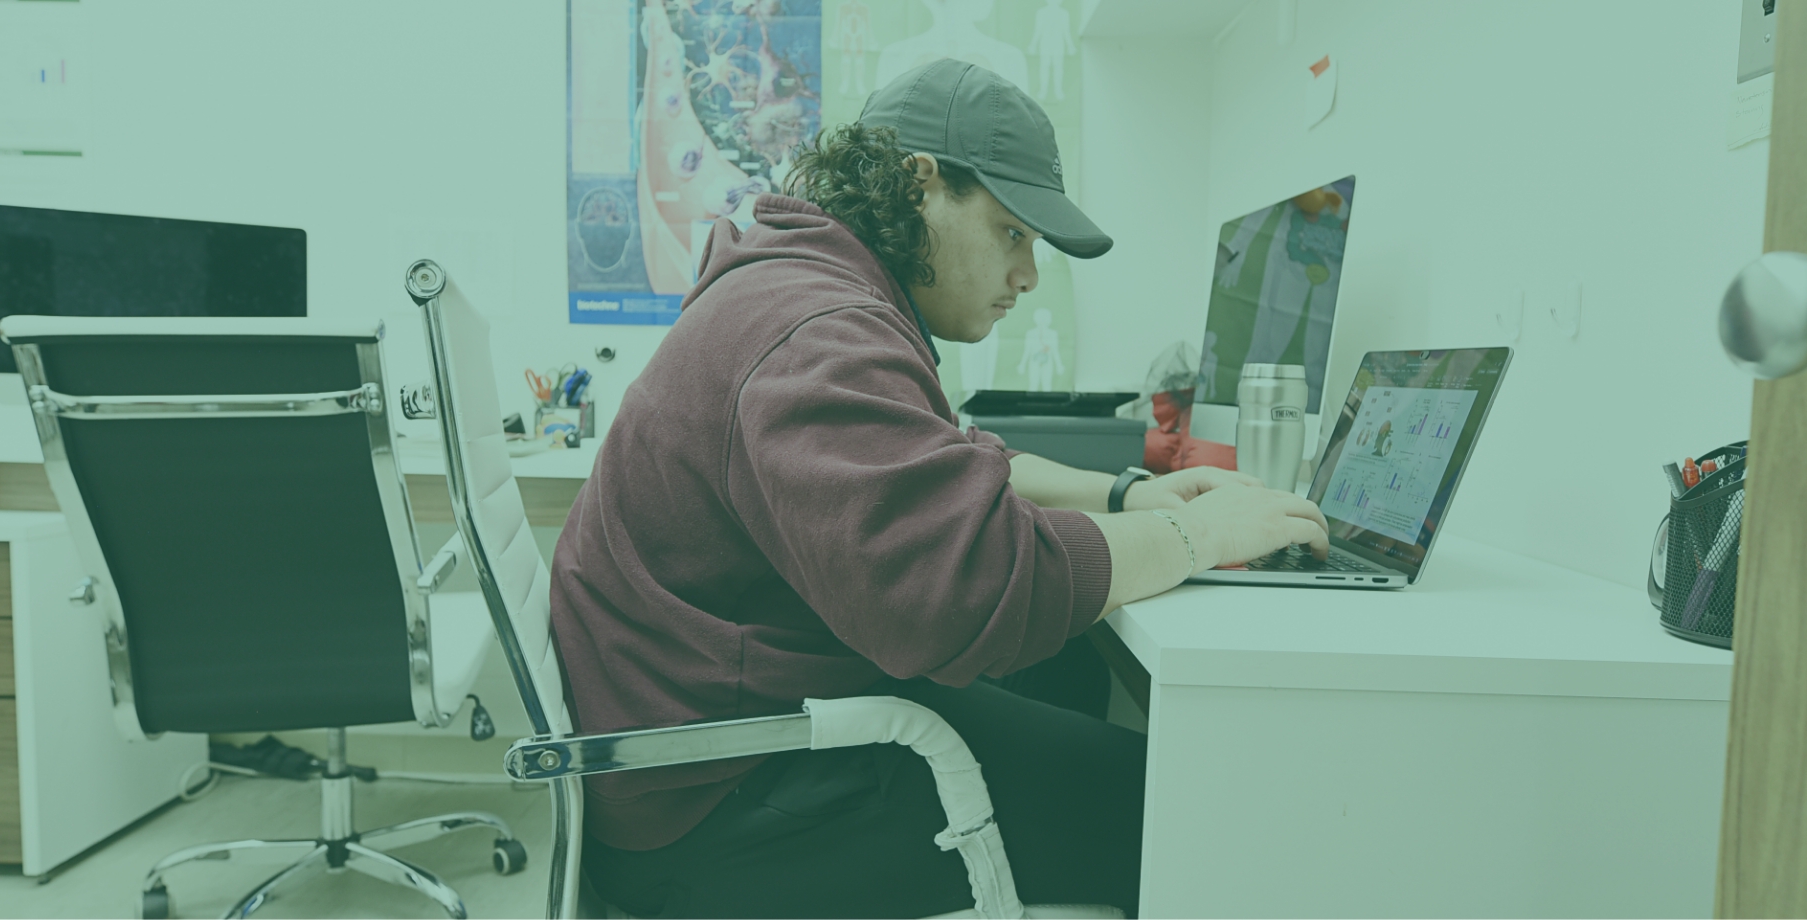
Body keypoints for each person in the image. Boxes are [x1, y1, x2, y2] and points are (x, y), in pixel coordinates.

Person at [550, 59, 1329, 918]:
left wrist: (1129, 497)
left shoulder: (811, 287)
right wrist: (1202, 537)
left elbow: (955, 457)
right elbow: (967, 589)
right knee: (1184, 814)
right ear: (920, 184)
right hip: (714, 807)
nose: (1028, 274)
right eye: (1011, 233)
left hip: (709, 734)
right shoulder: (817, 331)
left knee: (1067, 668)